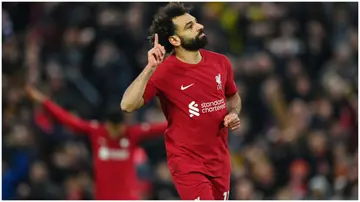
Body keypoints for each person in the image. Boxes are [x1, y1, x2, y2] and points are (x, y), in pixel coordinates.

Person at [121, 2, 241, 200]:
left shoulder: (221, 62)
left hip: (220, 161)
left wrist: (234, 113)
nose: (199, 26)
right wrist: (150, 68)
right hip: (188, 163)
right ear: (175, 40)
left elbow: (233, 97)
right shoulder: (164, 72)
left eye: (195, 22)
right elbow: (127, 105)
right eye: (190, 26)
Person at [26, 86, 167, 200]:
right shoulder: (96, 131)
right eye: (113, 127)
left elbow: (161, 127)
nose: (116, 132)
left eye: (119, 127)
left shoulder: (132, 134)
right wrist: (44, 102)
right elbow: (68, 120)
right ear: (107, 124)